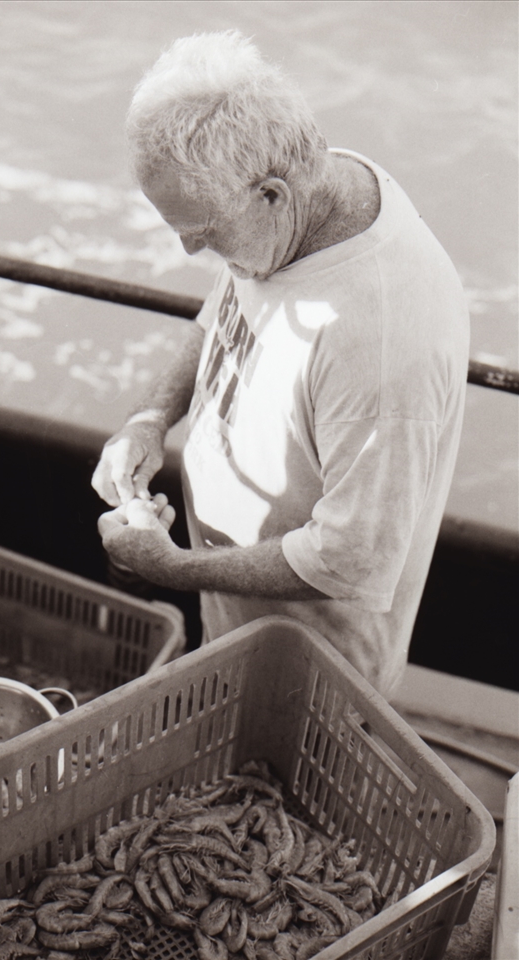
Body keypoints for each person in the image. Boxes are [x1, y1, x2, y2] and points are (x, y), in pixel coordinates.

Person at [92, 31, 470, 700]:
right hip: (232, 610)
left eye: (201, 230)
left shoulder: (381, 342)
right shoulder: (299, 200)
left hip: (313, 666)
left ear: (272, 195)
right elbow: (228, 306)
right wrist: (152, 419)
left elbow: (348, 560)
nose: (187, 250)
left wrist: (175, 568)